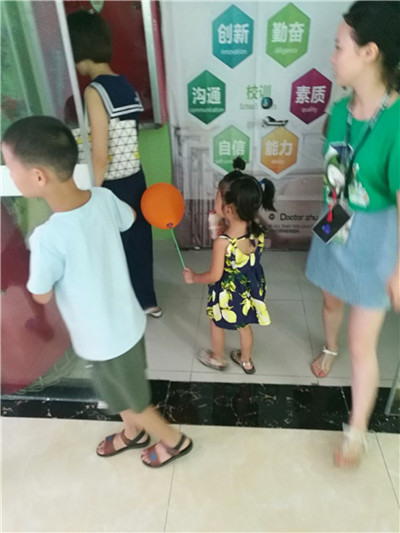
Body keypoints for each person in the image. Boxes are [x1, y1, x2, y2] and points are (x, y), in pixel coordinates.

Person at [1, 116, 192, 468]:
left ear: (39, 176)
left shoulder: (48, 238)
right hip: (126, 323)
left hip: (106, 339)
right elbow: (129, 217)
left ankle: (174, 440)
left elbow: (41, 295)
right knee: (119, 391)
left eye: (10, 166)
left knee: (134, 400)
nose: (9, 174)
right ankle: (133, 433)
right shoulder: (103, 198)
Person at [305, 1, 400, 467]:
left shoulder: (397, 121)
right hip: (335, 219)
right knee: (329, 300)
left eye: (338, 46)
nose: (332, 56)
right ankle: (329, 346)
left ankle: (357, 431)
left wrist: (399, 270)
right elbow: (336, 175)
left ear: (369, 52)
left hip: (377, 239)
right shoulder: (341, 109)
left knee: (364, 343)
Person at [67, 10, 162, 318]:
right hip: (135, 178)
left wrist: (89, 195)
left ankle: (123, 308)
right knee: (138, 242)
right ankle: (147, 301)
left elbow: (100, 153)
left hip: (111, 185)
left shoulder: (95, 91)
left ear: (78, 48)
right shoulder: (125, 85)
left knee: (113, 246)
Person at [183, 157, 276, 374]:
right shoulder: (257, 229)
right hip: (249, 288)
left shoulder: (223, 243)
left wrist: (194, 277)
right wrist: (222, 225)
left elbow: (215, 276)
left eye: (217, 197)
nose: (214, 200)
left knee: (216, 322)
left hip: (228, 292)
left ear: (230, 209)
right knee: (244, 325)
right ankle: (246, 361)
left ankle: (217, 357)